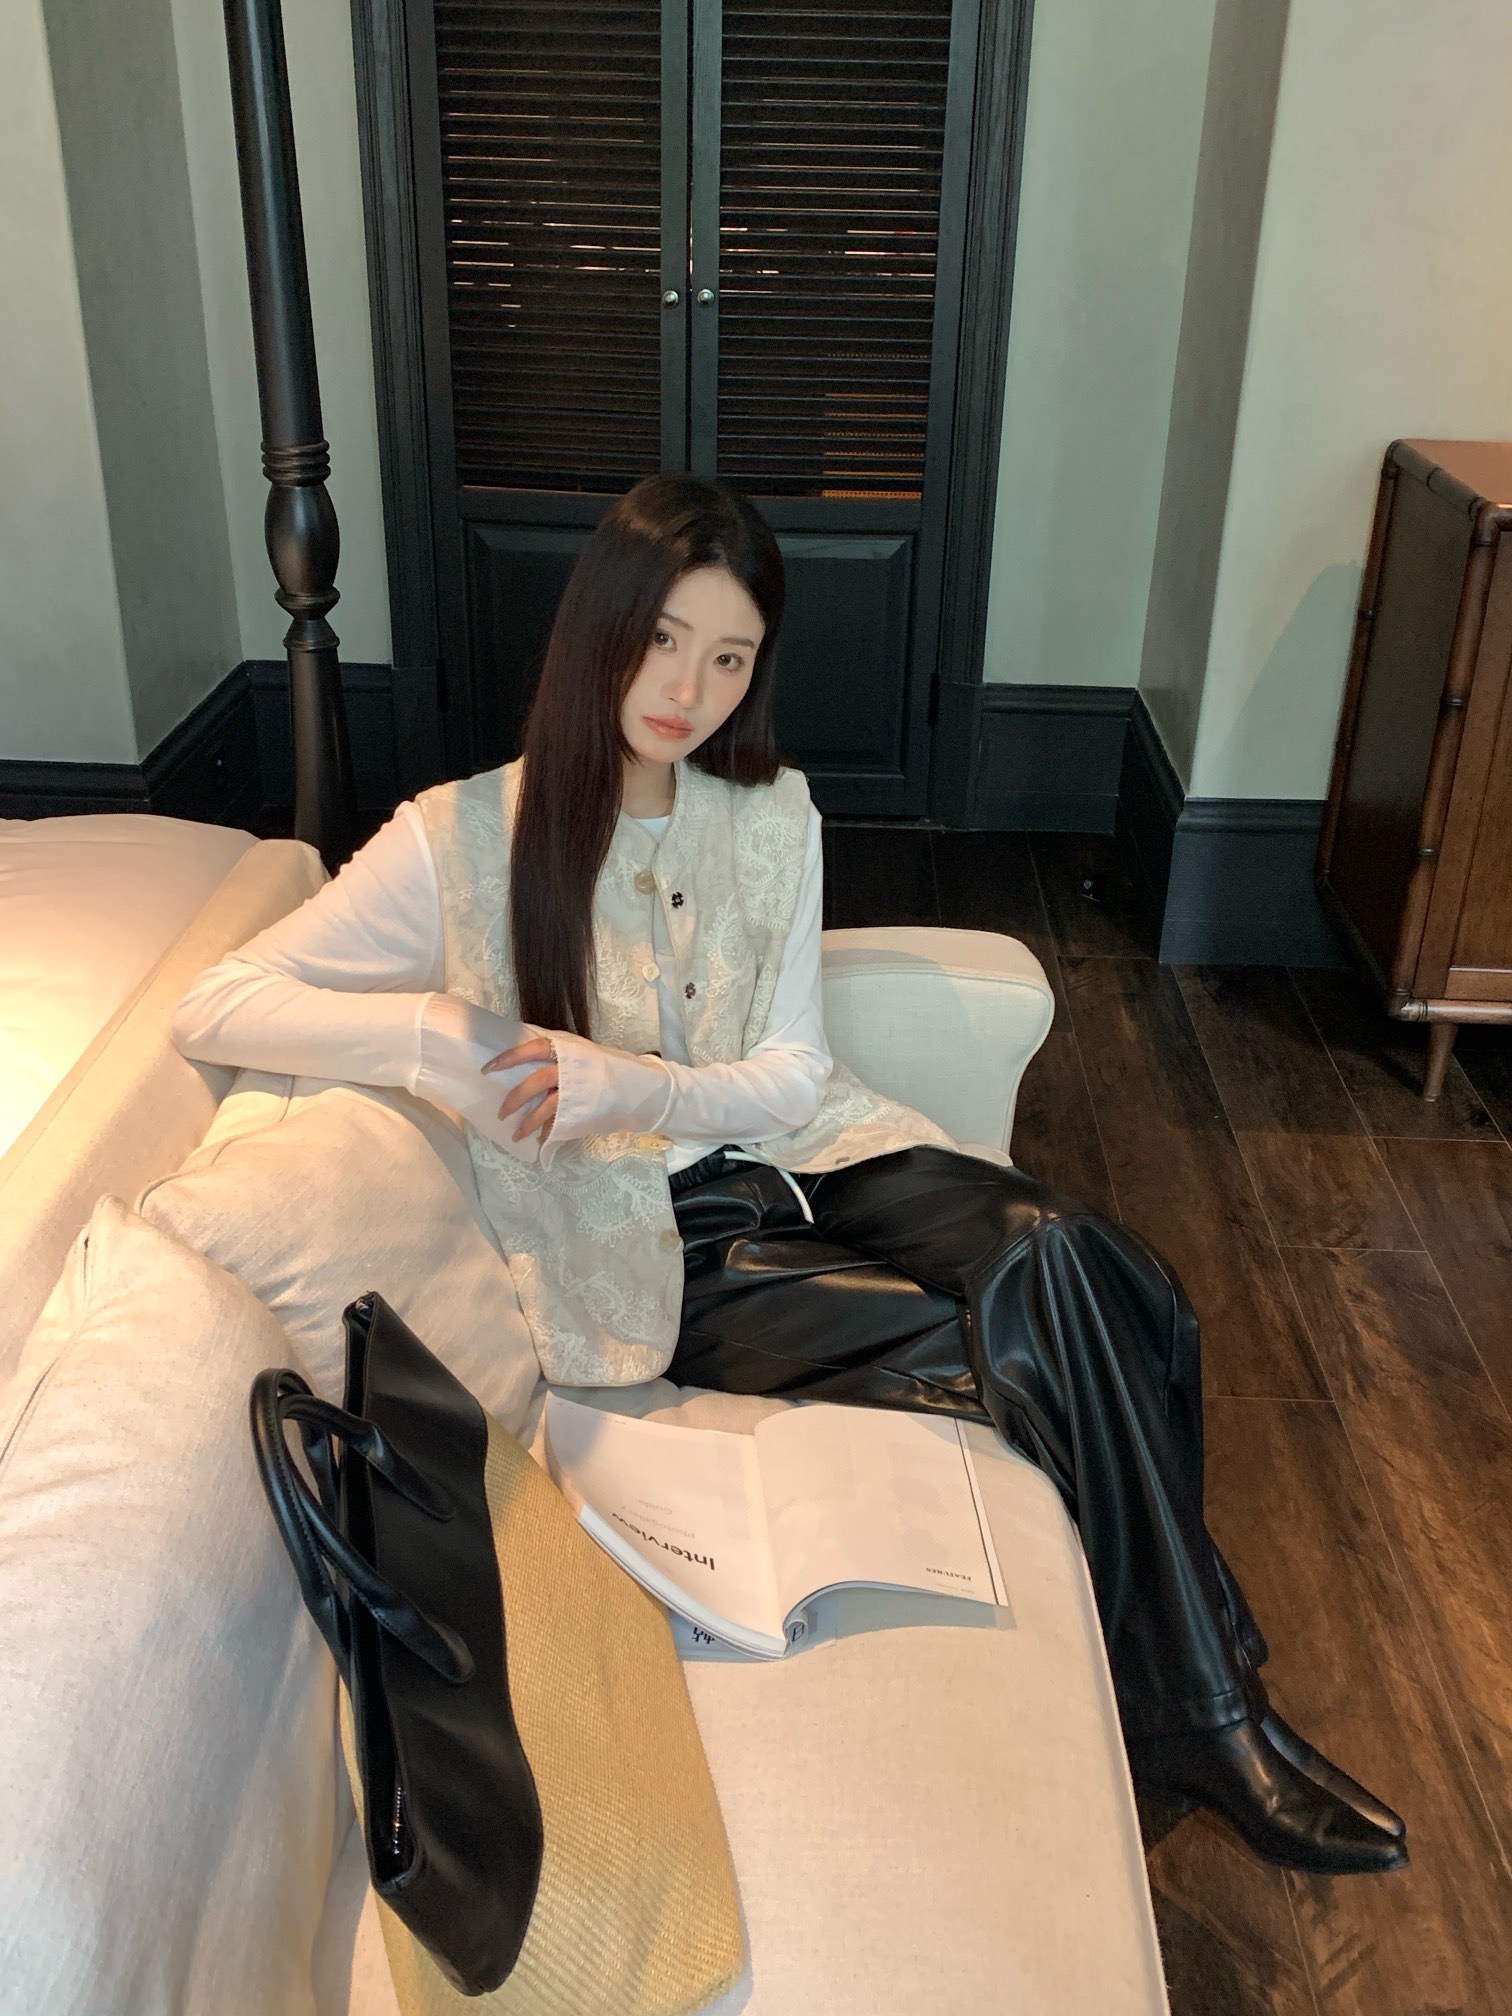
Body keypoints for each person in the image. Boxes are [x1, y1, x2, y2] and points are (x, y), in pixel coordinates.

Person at [174, 472, 1405, 1877]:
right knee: (1089, 1333)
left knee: (1081, 1262)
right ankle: (1218, 1715)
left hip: (823, 1154)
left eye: (728, 657)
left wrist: (632, 1082)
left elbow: (793, 1074)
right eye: (661, 640)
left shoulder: (773, 819)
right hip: (663, 1250)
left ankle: (1199, 1714)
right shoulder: (454, 840)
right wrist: (434, 1036)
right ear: (600, 626)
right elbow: (219, 1002)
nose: (685, 689)